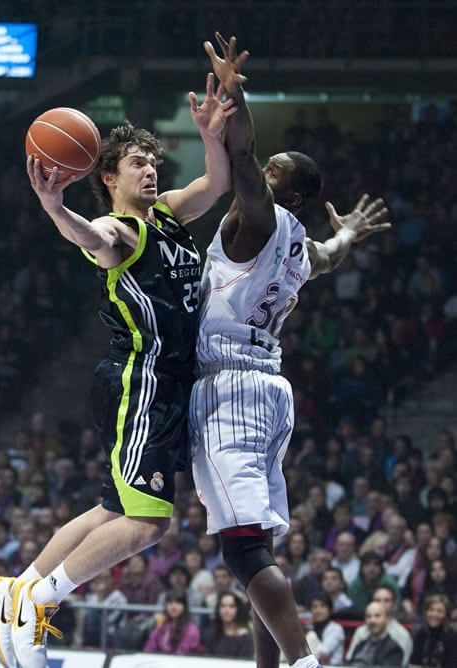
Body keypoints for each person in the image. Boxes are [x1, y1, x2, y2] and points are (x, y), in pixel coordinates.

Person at [0, 71, 238, 668]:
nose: (151, 170)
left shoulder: (169, 215)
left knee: (114, 510)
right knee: (149, 524)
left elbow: (219, 182)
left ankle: (14, 587)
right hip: (140, 381)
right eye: (138, 164)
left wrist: (209, 133)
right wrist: (54, 207)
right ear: (108, 177)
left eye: (154, 161)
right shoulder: (120, 233)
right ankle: (34, 600)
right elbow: (87, 234)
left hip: (168, 387)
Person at [188, 32, 391, 668]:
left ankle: (304, 662)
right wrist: (350, 232)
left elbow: (242, 154)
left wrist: (236, 94)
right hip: (268, 390)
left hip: (232, 386)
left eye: (275, 174)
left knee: (243, 552)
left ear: (290, 196)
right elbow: (329, 257)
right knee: (258, 554)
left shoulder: (261, 220)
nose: (261, 174)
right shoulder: (303, 245)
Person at [346, 585, 413, 667]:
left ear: (394, 604)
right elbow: (349, 661)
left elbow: (402, 665)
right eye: (377, 600)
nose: (382, 603)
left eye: (386, 600)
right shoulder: (361, 632)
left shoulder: (401, 635)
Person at [143, 588, 203, 655]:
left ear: (184, 606)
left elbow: (181, 654)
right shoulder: (161, 626)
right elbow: (149, 648)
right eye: (170, 602)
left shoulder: (191, 629)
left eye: (178, 603)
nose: (173, 607)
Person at [347, 600, 404, 667]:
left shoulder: (394, 648)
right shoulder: (360, 645)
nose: (372, 620)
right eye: (369, 616)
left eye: (377, 616)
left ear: (386, 619)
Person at [409, 593, 457, 668]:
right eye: (431, 610)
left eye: (439, 611)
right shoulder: (420, 634)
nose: (434, 614)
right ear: (425, 612)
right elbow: (414, 663)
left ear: (446, 615)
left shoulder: (452, 637)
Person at [208, 591, 255, 659]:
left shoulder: (246, 637)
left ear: (238, 609)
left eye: (231, 606)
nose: (226, 610)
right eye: (223, 606)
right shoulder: (213, 633)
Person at [305, 593, 345, 666]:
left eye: (322, 606)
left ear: (329, 609)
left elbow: (324, 653)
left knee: (311, 636)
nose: (318, 610)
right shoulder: (309, 627)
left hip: (331, 666)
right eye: (315, 607)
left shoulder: (336, 628)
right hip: (311, 665)